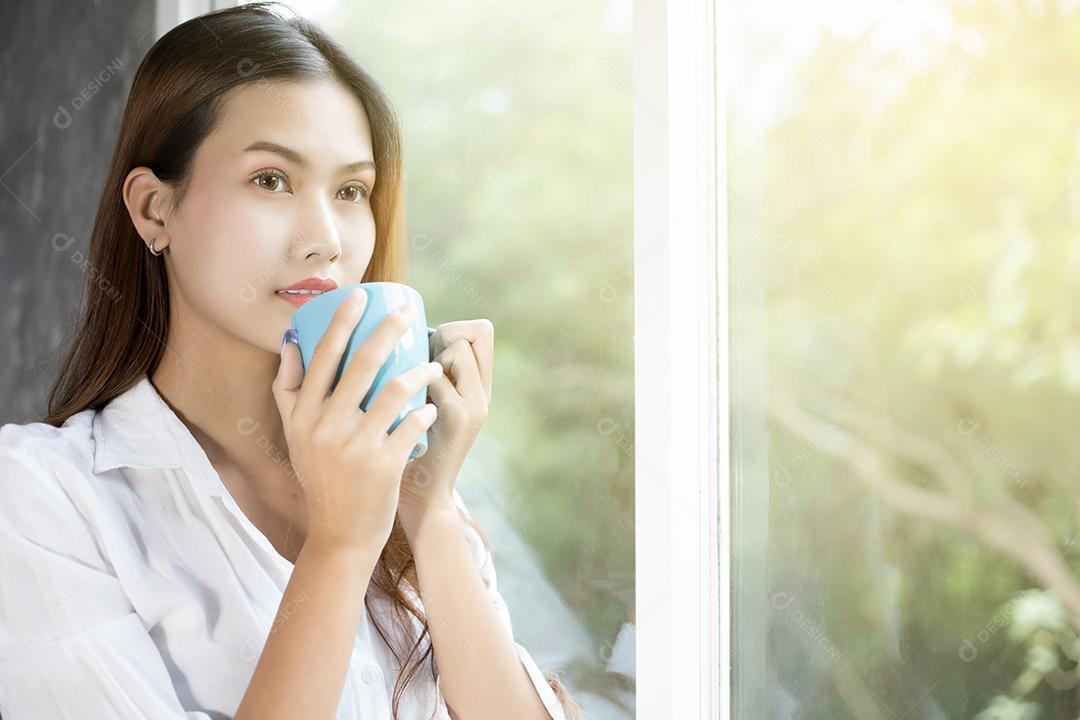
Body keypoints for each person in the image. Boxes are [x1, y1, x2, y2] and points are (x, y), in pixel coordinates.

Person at [0, 3, 579, 719]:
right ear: (154, 209)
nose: (325, 239)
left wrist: (426, 510)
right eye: (271, 179)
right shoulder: (43, 496)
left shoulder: (400, 481)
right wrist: (338, 547)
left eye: (350, 191)